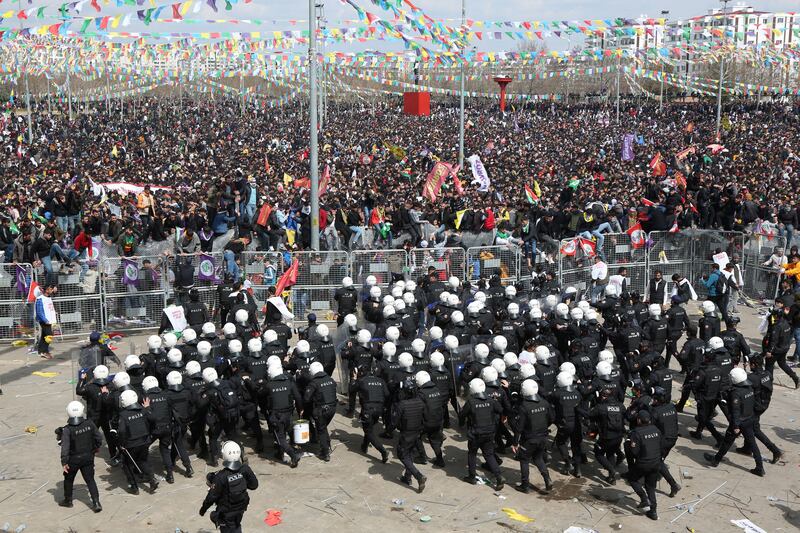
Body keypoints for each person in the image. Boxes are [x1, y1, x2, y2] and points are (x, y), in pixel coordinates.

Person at [704, 368, 766, 477]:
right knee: (753, 444)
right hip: (749, 419)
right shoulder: (750, 388)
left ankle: (716, 460)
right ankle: (760, 468)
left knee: (727, 442)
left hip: (739, 422)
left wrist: (736, 425)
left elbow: (736, 410)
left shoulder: (736, 393)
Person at [199, 441, 259, 533]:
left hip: (227, 513)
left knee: (222, 522)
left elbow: (211, 497)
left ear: (224, 455)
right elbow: (254, 485)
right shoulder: (245, 469)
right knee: (236, 524)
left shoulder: (220, 477)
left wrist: (203, 510)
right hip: (241, 508)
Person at [459, 378, 505, 490]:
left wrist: (462, 421)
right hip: (489, 432)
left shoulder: (471, 402)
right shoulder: (491, 400)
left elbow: (462, 415)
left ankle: (472, 476)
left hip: (476, 434)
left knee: (472, 454)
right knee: (488, 454)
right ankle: (499, 476)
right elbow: (500, 410)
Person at [58, 401, 103, 512]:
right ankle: (96, 502)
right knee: (90, 480)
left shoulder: (67, 429)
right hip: (88, 456)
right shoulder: (89, 423)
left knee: (68, 479)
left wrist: (64, 462)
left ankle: (68, 501)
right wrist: (95, 447)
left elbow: (65, 448)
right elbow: (99, 438)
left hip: (73, 459)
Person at [512, 379, 554, 493]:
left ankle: (525, 485)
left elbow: (519, 428)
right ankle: (547, 479)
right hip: (543, 437)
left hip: (530, 439)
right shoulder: (544, 402)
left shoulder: (524, 406)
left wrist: (515, 443)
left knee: (524, 459)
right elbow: (552, 418)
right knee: (538, 458)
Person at [115, 389, 160, 494]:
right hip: (144, 440)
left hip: (131, 443)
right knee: (143, 461)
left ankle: (133, 487)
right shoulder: (142, 410)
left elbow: (121, 431)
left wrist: (121, 443)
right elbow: (152, 419)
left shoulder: (124, 414)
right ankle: (152, 480)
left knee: (127, 465)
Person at [625, 410, 662, 520]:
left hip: (643, 463)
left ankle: (643, 498)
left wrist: (628, 444)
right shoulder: (656, 429)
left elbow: (634, 452)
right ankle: (653, 512)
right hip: (656, 462)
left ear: (639, 420)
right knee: (650, 487)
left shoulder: (636, 433)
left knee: (632, 479)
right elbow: (661, 444)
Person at [265, 364, 303, 468]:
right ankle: (279, 453)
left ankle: (293, 455)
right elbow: (298, 397)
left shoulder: (269, 385)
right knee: (286, 431)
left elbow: (261, 395)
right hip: (288, 414)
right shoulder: (289, 382)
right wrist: (301, 409)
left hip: (277, 416)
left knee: (280, 438)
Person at [394, 378, 428, 493]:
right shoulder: (420, 402)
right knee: (411, 453)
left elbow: (394, 421)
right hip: (417, 433)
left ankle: (419, 476)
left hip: (406, 434)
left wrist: (390, 430)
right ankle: (407, 477)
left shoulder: (402, 404)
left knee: (403, 455)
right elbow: (426, 418)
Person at [356, 362, 391, 464]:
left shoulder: (362, 381)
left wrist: (354, 379)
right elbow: (387, 394)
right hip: (379, 409)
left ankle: (383, 451)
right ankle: (364, 445)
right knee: (369, 427)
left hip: (368, 409)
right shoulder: (380, 380)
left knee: (368, 431)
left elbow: (351, 389)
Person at [304, 362, 337, 461]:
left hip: (322, 410)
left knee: (321, 430)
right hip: (333, 408)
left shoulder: (314, 383)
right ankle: (327, 444)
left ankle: (325, 453)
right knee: (323, 427)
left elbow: (306, 398)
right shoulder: (330, 380)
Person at [34, 284, 57, 359]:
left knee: (44, 335)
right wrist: (45, 320)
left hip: (50, 320)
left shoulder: (49, 297)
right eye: (51, 289)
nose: (52, 290)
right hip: (45, 320)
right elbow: (39, 312)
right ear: (47, 290)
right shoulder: (40, 299)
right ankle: (44, 351)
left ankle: (40, 351)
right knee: (49, 336)